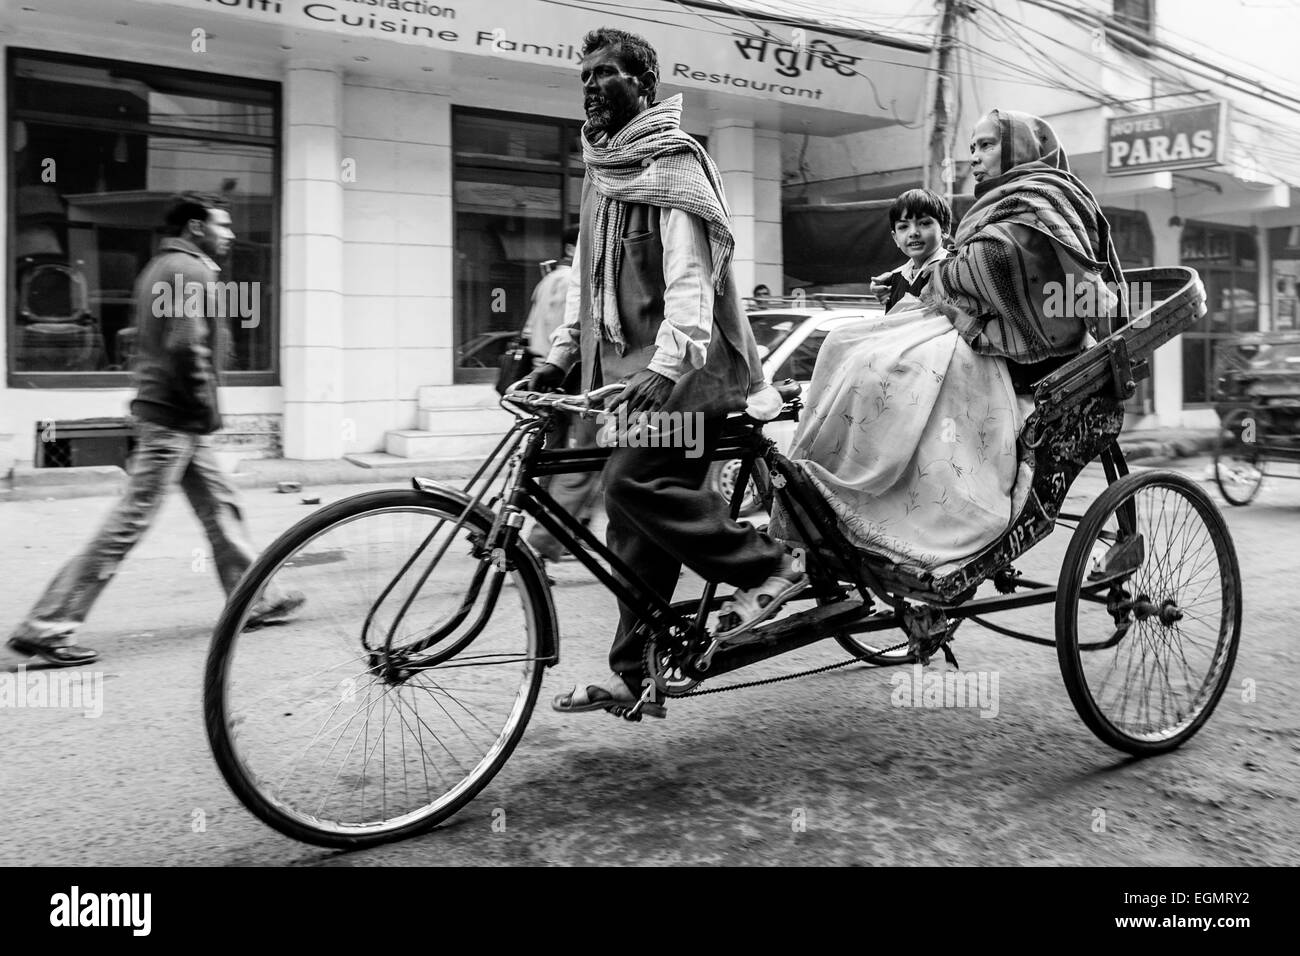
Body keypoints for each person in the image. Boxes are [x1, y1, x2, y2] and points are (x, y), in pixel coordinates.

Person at [528, 26, 801, 717]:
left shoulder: (674, 163)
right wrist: (559, 358)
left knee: (632, 482)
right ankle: (636, 673)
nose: (591, 85)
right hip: (630, 380)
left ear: (644, 88)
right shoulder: (602, 173)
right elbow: (589, 291)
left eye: (607, 73)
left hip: (693, 375)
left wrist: (666, 364)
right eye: (584, 74)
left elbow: (690, 284)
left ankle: (770, 565)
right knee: (630, 529)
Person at [770, 109, 1126, 570]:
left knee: (888, 369)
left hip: (1022, 347)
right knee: (844, 344)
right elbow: (963, 270)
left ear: (1019, 149)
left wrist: (948, 278)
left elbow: (994, 271)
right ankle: (825, 488)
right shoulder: (1000, 202)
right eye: (973, 147)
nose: (974, 156)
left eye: (987, 145)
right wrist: (943, 281)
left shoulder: (1041, 199)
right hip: (976, 327)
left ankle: (893, 503)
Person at [6, 192, 303, 668]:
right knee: (128, 523)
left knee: (222, 507)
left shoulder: (157, 268)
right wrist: (206, 405)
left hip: (169, 413)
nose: (229, 234)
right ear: (195, 227)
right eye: (221, 225)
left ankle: (255, 599)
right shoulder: (190, 270)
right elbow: (186, 346)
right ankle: (48, 625)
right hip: (174, 418)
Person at [523, 226, 603, 568]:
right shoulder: (568, 278)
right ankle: (552, 529)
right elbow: (571, 329)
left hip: (547, 372)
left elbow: (530, 328)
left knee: (557, 455)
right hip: (569, 377)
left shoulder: (546, 280)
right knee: (583, 458)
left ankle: (555, 522)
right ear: (573, 246)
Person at [868, 188, 953, 313]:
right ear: (895, 238)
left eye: (924, 223)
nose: (913, 233)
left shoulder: (952, 271)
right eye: (903, 227)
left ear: (944, 230)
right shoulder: (897, 279)